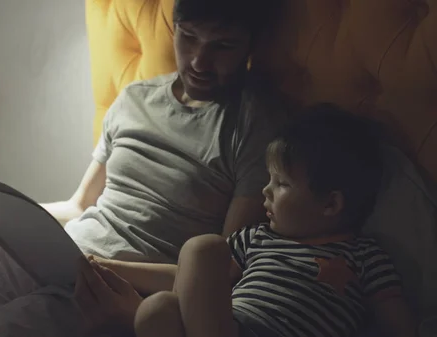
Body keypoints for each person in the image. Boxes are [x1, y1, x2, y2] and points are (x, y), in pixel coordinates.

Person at [0, 0, 282, 335]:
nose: (199, 61)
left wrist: (100, 273)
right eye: (188, 37)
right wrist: (2, 206)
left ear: (251, 45)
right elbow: (80, 206)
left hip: (111, 289)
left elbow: (222, 268)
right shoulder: (134, 98)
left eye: (223, 46)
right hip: (63, 257)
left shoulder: (257, 128)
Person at [84, 104, 417, 337]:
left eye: (282, 183)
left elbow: (397, 326)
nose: (266, 191)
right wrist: (107, 265)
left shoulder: (364, 256)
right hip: (229, 329)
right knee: (157, 309)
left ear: (331, 204)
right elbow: (190, 282)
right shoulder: (257, 238)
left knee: (204, 248)